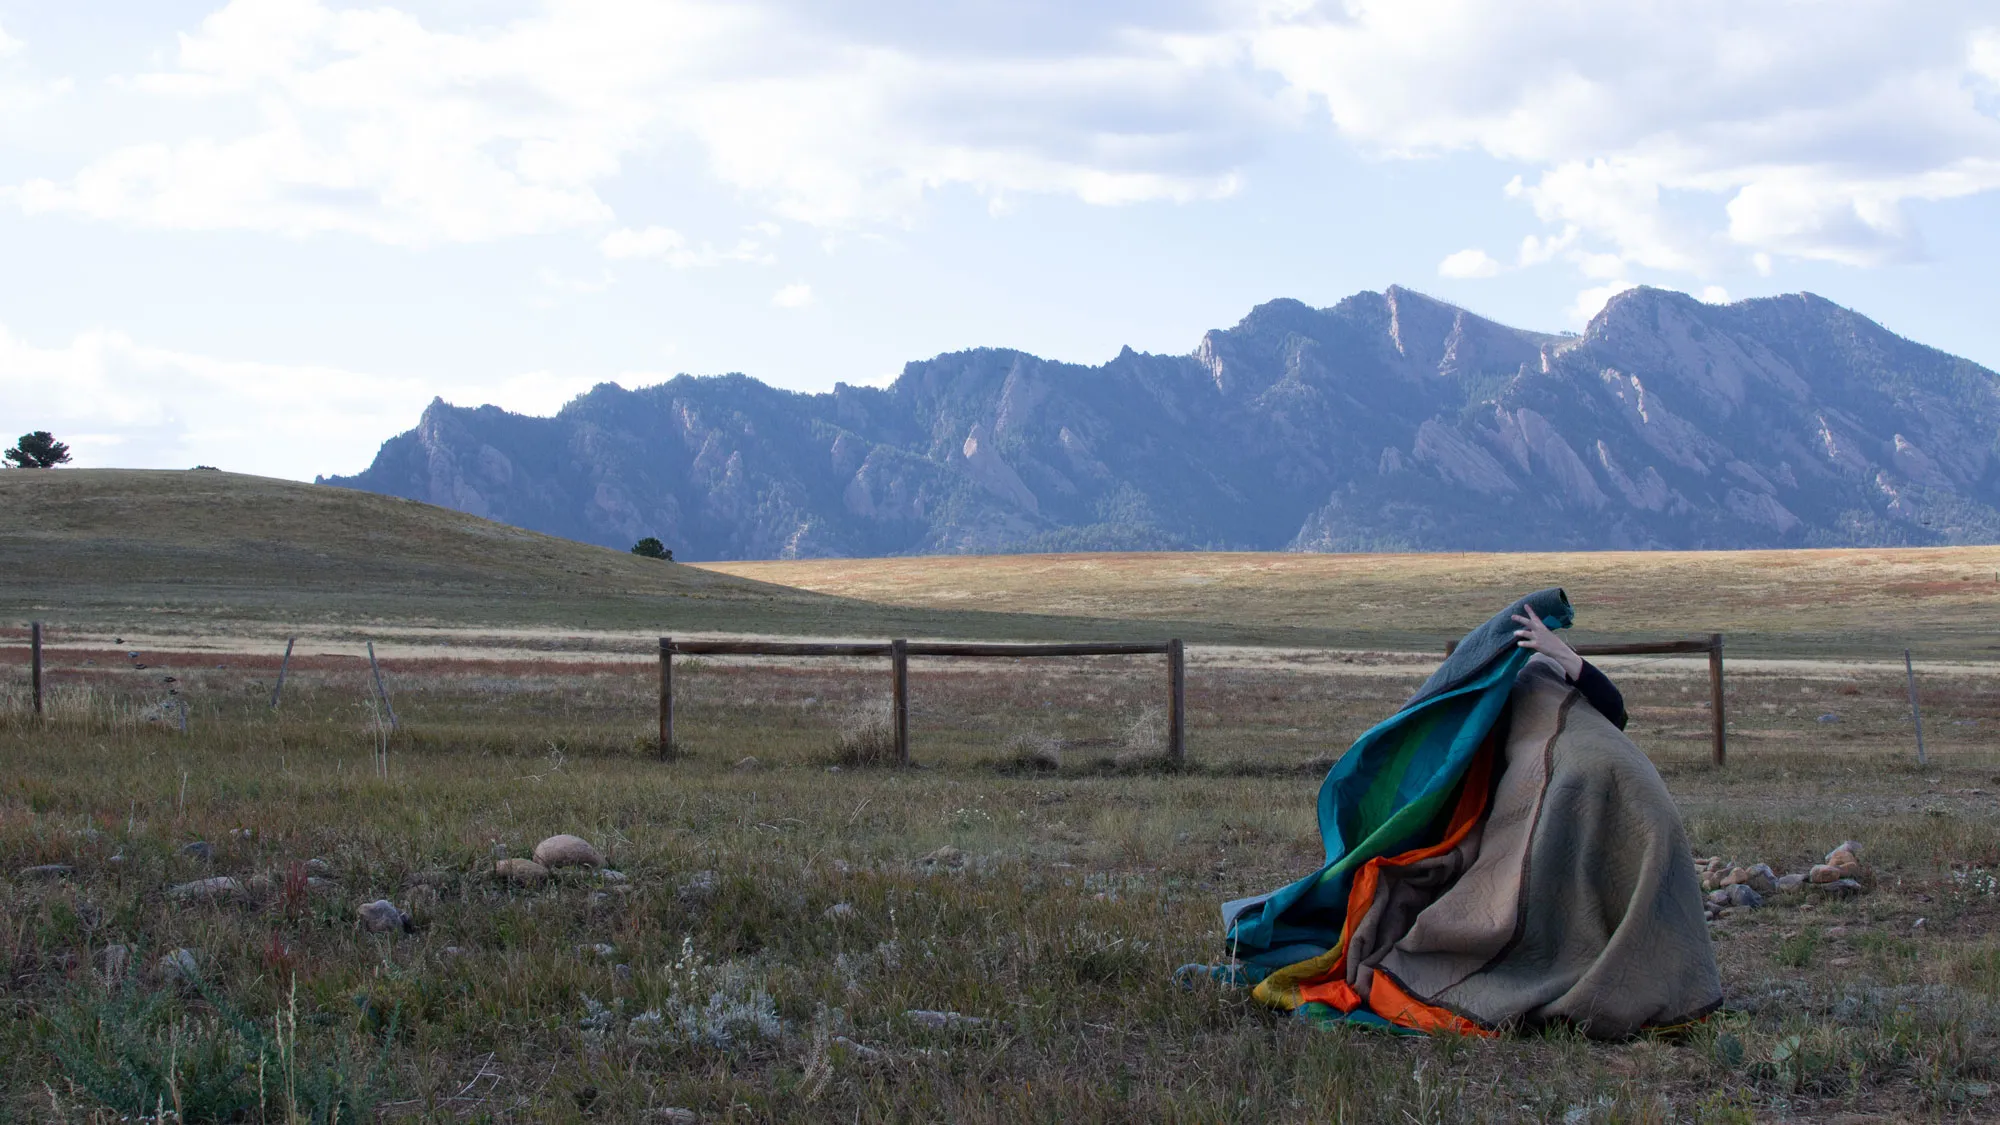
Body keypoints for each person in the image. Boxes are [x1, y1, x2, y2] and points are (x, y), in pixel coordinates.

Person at [1205, 589, 1719, 1039]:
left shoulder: (1516, 691)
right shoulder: (1559, 681)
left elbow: (1460, 757)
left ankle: (1577, 970)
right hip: (1641, 787)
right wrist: (1565, 654)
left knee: (1531, 891)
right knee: (1620, 878)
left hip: (1576, 781)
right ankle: (1655, 981)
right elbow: (1616, 710)